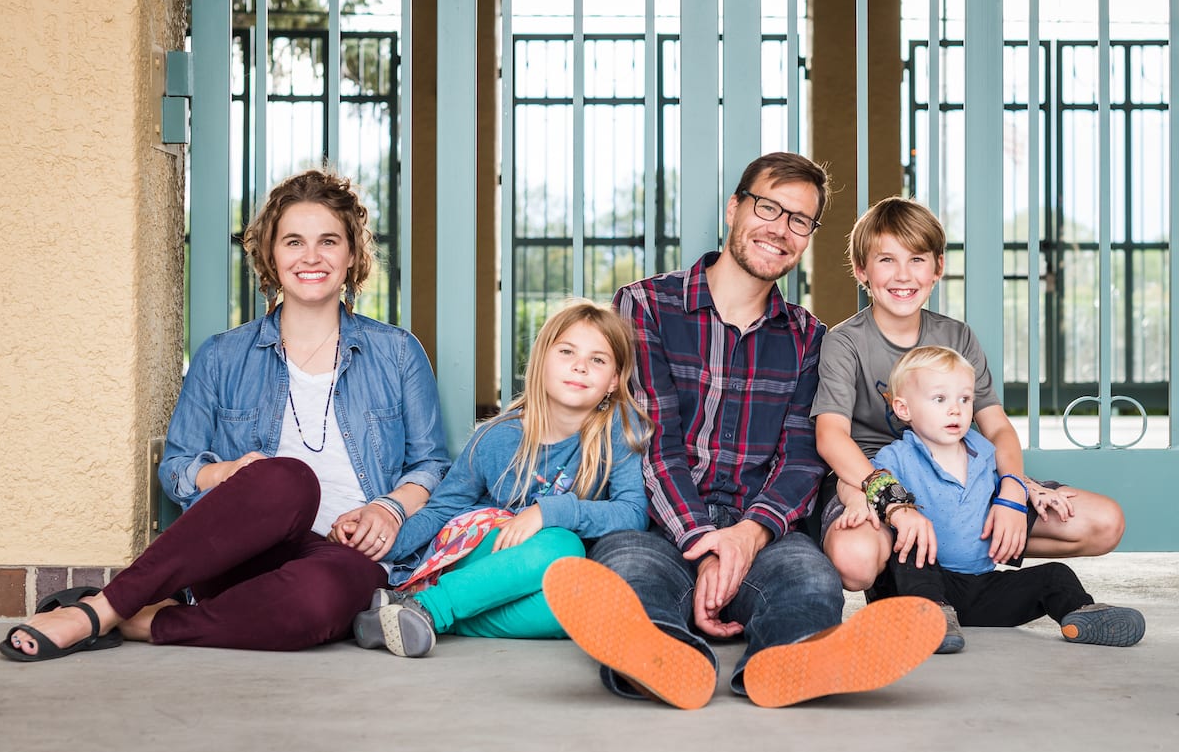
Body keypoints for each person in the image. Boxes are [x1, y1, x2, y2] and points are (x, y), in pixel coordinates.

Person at [541, 152, 945, 711]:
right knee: (628, 573)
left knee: (811, 583)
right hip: (662, 526)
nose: (780, 229)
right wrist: (702, 543)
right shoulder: (646, 306)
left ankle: (794, 660)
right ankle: (659, 658)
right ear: (735, 209)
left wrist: (748, 535)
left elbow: (802, 458)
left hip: (765, 533)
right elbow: (651, 438)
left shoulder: (809, 336)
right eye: (768, 208)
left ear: (807, 237)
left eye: (799, 220)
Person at [0, 169, 451, 661]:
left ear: (351, 255)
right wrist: (230, 473)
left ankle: (143, 621)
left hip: (348, 556)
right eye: (294, 242)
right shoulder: (221, 356)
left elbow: (431, 465)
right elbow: (177, 468)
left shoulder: (398, 352)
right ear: (271, 255)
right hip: (244, 549)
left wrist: (389, 507)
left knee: (315, 603)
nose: (311, 257)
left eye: (329, 241)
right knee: (288, 481)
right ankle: (97, 611)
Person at [812, 197, 1126, 599]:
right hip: (875, 480)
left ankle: (947, 569)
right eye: (886, 260)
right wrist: (891, 501)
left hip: (958, 479)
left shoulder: (957, 337)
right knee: (854, 562)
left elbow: (996, 427)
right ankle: (907, 571)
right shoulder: (844, 342)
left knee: (1105, 522)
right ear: (862, 271)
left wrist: (1013, 491)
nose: (903, 274)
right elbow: (831, 437)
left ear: (938, 268)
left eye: (917, 259)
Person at [352, 299, 651, 658]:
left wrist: (547, 513)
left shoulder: (618, 432)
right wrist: (381, 544)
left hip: (535, 574)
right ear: (541, 362)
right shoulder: (496, 438)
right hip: (479, 551)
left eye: (597, 360)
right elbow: (441, 510)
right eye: (567, 351)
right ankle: (432, 607)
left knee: (581, 607)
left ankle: (411, 612)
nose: (580, 366)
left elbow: (633, 513)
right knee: (563, 545)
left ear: (614, 381)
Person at [868, 345, 1144, 652]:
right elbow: (871, 485)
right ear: (904, 409)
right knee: (909, 554)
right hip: (917, 584)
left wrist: (1036, 492)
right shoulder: (897, 456)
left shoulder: (983, 450)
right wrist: (874, 506)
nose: (955, 409)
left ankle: (1080, 614)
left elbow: (1006, 483)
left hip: (979, 585)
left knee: (1056, 575)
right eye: (940, 399)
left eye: (965, 399)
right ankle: (929, 617)